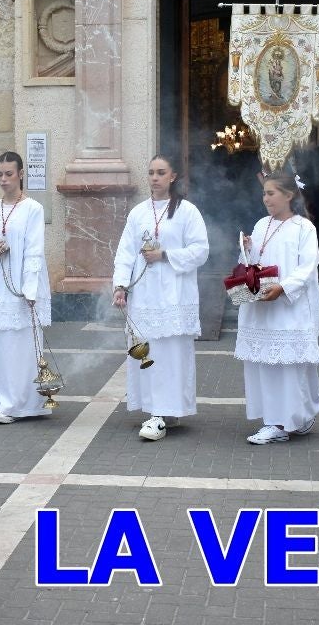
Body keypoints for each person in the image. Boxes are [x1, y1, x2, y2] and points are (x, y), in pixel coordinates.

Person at [112, 155, 210, 441]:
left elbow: (200, 250)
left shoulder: (187, 211)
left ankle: (165, 412)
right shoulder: (138, 212)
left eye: (160, 172)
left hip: (174, 296)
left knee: (171, 355)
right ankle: (157, 410)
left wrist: (165, 255)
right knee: (148, 352)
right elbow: (125, 252)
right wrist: (120, 285)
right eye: (151, 172)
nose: (154, 178)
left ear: (173, 176)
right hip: (145, 295)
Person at [235, 172, 319, 444]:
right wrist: (247, 249)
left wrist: (283, 288)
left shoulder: (304, 227)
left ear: (288, 195)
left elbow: (308, 267)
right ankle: (274, 421)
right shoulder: (261, 224)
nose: (265, 198)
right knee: (265, 365)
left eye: (271, 193)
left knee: (290, 367)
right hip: (262, 309)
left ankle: (293, 418)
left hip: (289, 308)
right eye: (264, 193)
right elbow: (252, 263)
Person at [0, 152, 51, 423]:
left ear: (20, 174)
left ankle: (18, 404)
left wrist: (30, 290)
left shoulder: (33, 208)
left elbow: (34, 250)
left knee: (21, 347)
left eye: (8, 174)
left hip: (22, 286)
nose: (3, 179)